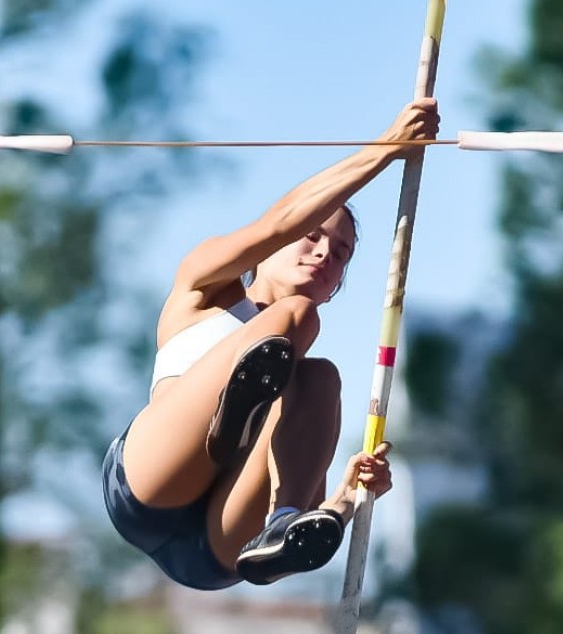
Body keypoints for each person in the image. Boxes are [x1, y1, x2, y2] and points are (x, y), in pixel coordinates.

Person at [102, 98, 440, 590]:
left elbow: (313, 504)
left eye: (341, 253)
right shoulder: (205, 286)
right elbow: (277, 222)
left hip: (215, 553)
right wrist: (386, 149)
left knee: (320, 376)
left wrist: (346, 500)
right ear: (272, 249)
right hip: (149, 486)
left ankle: (270, 513)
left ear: (336, 284)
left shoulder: (307, 390)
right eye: (313, 234)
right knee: (294, 319)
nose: (325, 252)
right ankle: (228, 418)